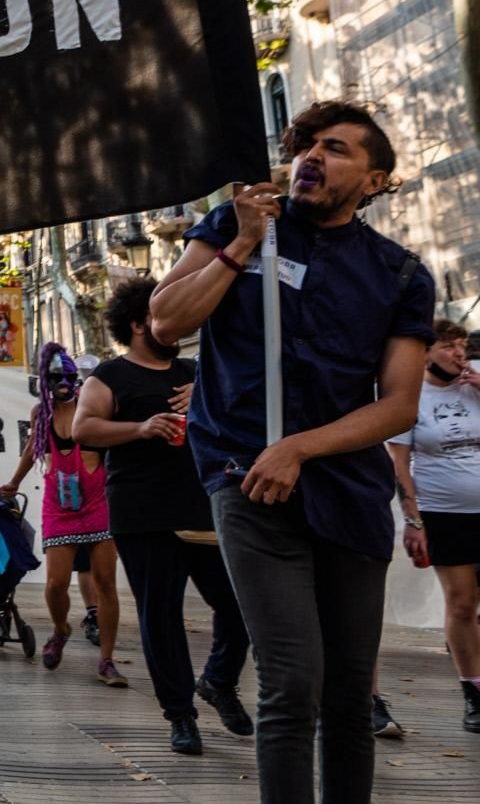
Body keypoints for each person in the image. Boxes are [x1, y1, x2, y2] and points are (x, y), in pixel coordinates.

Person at [150, 100, 433, 804]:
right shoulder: (235, 227)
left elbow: (399, 404)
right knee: (291, 680)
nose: (312, 155)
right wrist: (240, 245)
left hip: (347, 495)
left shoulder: (400, 274)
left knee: (347, 696)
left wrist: (301, 448)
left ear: (375, 180)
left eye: (336, 149)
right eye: (307, 143)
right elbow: (165, 321)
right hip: (245, 478)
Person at [74, 276, 253, 755]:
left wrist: (207, 401)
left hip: (205, 505)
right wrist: (141, 426)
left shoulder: (200, 370)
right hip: (143, 511)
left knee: (241, 605)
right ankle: (180, 715)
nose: (175, 325)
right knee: (161, 615)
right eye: (161, 317)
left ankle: (217, 680)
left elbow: (240, 418)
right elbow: (83, 428)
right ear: (137, 324)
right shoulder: (109, 377)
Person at [3, 342, 123, 683]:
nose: (65, 383)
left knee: (105, 583)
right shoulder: (41, 413)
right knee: (55, 584)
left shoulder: (94, 406)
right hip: (59, 507)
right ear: (45, 379)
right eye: (57, 377)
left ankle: (106, 661)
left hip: (98, 503)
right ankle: (61, 629)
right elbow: (32, 449)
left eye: (69, 376)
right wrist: (13, 483)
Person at [387, 317, 480, 734]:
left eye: (461, 346)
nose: (458, 354)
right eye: (447, 346)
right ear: (425, 353)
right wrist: (413, 520)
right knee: (462, 604)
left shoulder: (476, 384)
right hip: (445, 513)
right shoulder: (410, 395)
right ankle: (474, 692)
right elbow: (400, 464)